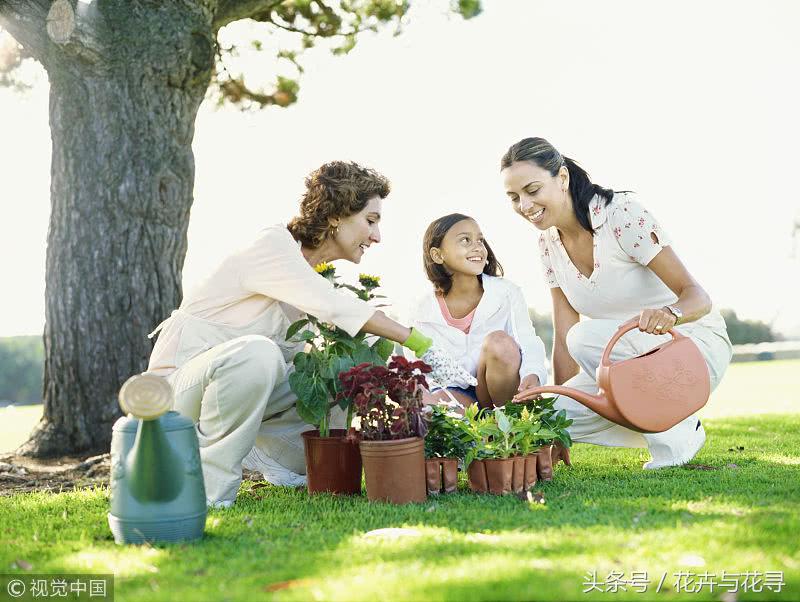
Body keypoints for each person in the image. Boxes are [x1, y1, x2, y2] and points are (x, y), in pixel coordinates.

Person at [146, 161, 475, 507]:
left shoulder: (311, 279)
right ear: (336, 215)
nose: (377, 236)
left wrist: (418, 397)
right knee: (257, 354)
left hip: (228, 400)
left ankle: (295, 464)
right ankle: (208, 491)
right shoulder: (272, 247)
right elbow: (337, 307)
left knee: (342, 373)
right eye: (370, 220)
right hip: (174, 399)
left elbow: (348, 334)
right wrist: (421, 343)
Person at [504, 137, 732, 469]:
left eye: (532, 190)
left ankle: (678, 433)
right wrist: (557, 423)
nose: (524, 205)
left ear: (562, 178)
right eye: (514, 197)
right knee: (550, 417)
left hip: (691, 350)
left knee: (584, 338)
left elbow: (698, 297)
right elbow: (563, 336)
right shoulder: (547, 243)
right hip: (629, 363)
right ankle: (663, 420)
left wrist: (669, 313)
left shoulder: (620, 215)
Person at [406, 213, 548, 409]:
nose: (478, 247)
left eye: (480, 240)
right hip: (456, 391)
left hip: (502, 389)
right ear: (438, 255)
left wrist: (533, 373)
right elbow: (416, 366)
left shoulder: (506, 293)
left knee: (500, 342)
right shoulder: (422, 309)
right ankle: (483, 424)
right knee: (423, 401)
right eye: (465, 240)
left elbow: (528, 341)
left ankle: (509, 419)